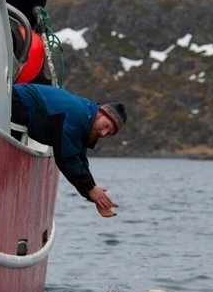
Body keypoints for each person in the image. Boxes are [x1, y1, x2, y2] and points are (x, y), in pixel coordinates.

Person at [11, 83, 128, 218]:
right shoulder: (78, 115)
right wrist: (90, 189)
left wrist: (93, 192)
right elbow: (66, 157)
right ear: (100, 113)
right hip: (17, 101)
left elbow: (79, 158)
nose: (103, 133)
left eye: (109, 133)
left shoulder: (87, 118)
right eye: (106, 125)